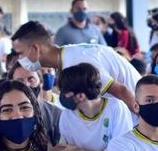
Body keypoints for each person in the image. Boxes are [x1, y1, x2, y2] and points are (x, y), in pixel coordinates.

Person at [11, 20, 140, 109]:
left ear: (35, 49)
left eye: (20, 53)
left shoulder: (78, 62)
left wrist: (146, 124)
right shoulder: (67, 56)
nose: (19, 59)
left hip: (135, 111)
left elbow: (122, 91)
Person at [55, 63, 133, 151]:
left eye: (64, 91)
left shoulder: (116, 108)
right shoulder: (67, 116)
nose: (61, 95)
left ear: (80, 96)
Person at [9, 60, 63, 146]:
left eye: (31, 79)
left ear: (41, 82)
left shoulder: (56, 114)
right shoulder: (3, 114)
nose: (26, 85)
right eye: (19, 81)